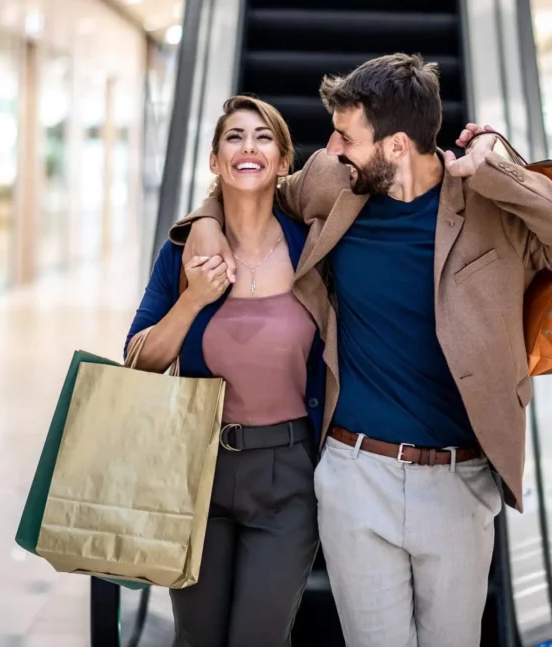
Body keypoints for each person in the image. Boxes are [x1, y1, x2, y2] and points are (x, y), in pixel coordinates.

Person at [172, 54, 552, 647]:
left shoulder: (488, 209)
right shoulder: (336, 183)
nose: (332, 146)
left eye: (346, 136)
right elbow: (249, 185)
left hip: (460, 479)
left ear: (397, 145)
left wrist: (497, 170)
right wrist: (201, 220)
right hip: (356, 475)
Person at [124, 95, 327, 647]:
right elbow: (138, 360)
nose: (248, 147)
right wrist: (191, 301)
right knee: (197, 638)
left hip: (288, 474)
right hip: (199, 467)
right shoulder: (184, 252)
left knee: (260, 639)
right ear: (215, 161)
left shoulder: (314, 253)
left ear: (285, 162)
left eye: (263, 138)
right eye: (234, 137)